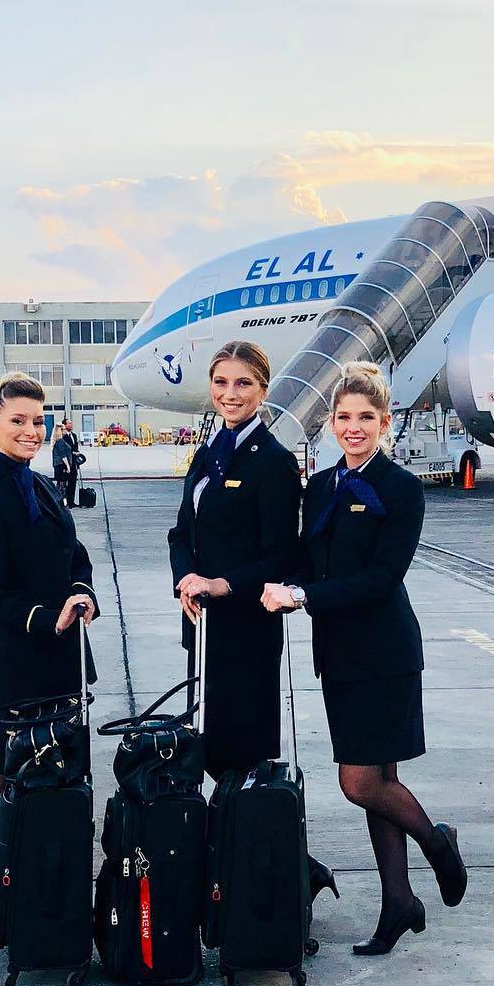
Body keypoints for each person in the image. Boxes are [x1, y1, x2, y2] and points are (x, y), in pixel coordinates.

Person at [262, 362, 467, 955]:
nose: (354, 428)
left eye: (366, 418)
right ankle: (398, 902)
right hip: (337, 653)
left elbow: (381, 579)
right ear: (330, 423)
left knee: (360, 783)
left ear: (385, 422)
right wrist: (279, 585)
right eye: (344, 418)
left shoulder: (401, 489)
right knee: (380, 780)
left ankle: (437, 842)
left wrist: (303, 596)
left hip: (385, 651)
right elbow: (307, 560)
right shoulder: (321, 488)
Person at [168, 340, 338, 902]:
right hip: (206, 629)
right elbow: (180, 533)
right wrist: (186, 578)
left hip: (247, 630)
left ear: (264, 390)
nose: (229, 394)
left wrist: (222, 584)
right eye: (221, 382)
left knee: (245, 753)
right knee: (210, 748)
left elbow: (281, 558)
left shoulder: (273, 462)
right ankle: (250, 859)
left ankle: (276, 863)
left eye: (242, 383)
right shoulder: (208, 451)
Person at [0, 373, 98, 925]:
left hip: (65, 653)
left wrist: (81, 593)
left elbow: (76, 554)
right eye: (17, 420)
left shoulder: (41, 486)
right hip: (20, 656)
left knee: (65, 769)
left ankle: (52, 877)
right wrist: (47, 619)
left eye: (37, 421)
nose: (30, 431)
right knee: (9, 770)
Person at [51, 422, 71, 505]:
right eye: (64, 429)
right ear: (60, 431)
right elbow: (63, 456)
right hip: (61, 465)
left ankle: (59, 502)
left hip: (57, 465)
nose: (66, 431)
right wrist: (68, 466)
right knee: (62, 486)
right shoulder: (60, 441)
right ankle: (61, 503)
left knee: (59, 485)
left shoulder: (57, 441)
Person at [62, 418, 81, 508]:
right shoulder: (63, 436)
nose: (71, 425)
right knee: (65, 484)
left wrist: (77, 455)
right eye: (69, 423)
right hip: (66, 463)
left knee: (73, 482)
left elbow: (75, 447)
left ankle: (71, 502)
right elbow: (64, 450)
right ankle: (65, 503)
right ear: (65, 425)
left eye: (71, 423)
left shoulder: (74, 435)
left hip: (74, 462)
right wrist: (73, 453)